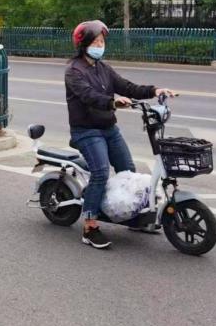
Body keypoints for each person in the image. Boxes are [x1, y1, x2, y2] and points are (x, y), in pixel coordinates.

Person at [64, 20, 175, 250]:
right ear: (83, 44)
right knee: (101, 173)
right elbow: (88, 96)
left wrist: (155, 90)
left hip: (108, 128)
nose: (100, 45)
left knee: (127, 169)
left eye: (101, 41)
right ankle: (90, 226)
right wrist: (112, 102)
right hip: (86, 131)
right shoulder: (74, 71)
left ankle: (132, 216)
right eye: (95, 42)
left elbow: (127, 86)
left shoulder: (103, 68)